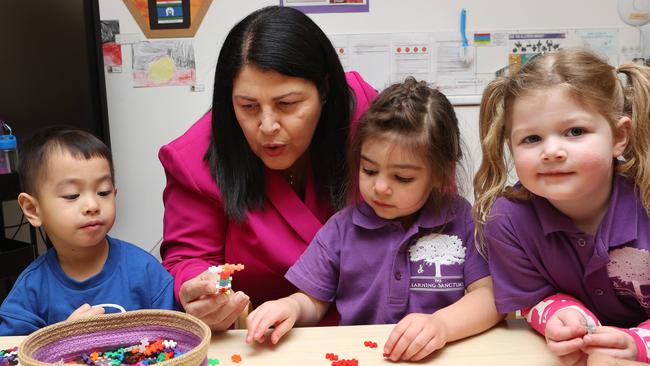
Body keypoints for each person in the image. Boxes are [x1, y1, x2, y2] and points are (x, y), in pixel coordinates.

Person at [245, 77, 502, 362]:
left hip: (441, 356)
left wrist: (441, 325)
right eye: (369, 170)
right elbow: (313, 301)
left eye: (402, 177)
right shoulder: (342, 229)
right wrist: (291, 307)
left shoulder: (461, 219)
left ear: (441, 174)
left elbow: (489, 297)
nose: (380, 187)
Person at [158, 5, 377, 330]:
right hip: (265, 337)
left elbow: (433, 211)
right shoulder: (196, 157)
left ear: (325, 89)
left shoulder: (368, 118)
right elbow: (188, 260)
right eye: (247, 106)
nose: (267, 126)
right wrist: (200, 292)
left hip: (383, 325)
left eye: (287, 104)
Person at [473, 48, 650, 365]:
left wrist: (639, 343)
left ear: (619, 136)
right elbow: (534, 298)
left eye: (576, 132)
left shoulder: (646, 200)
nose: (552, 151)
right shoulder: (508, 220)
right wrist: (562, 314)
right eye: (531, 139)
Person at [0, 127, 176, 335]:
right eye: (72, 195)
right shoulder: (30, 291)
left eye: (103, 192)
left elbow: (179, 336)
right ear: (32, 209)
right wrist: (62, 338)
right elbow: (13, 354)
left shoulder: (145, 271)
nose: (93, 204)